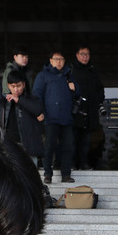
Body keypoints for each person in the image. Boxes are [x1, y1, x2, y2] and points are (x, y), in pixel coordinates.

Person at [33, 50, 78, 184]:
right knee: (49, 146)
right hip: (50, 117)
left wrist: (74, 89)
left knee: (68, 147)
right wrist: (40, 112)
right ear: (51, 60)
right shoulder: (43, 76)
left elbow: (77, 95)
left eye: (61, 59)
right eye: (56, 59)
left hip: (66, 118)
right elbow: (37, 94)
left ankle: (66, 174)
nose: (59, 61)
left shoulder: (68, 76)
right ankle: (48, 174)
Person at [0, 69, 45, 162]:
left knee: (30, 174)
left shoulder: (31, 99)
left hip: (28, 147)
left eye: (18, 86)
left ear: (23, 85)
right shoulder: (4, 102)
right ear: (8, 86)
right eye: (12, 86)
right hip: (9, 147)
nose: (16, 89)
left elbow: (38, 110)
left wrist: (19, 100)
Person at [69, 46, 105, 170]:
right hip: (74, 112)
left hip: (89, 113)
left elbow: (100, 89)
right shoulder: (70, 70)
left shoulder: (92, 71)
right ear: (77, 55)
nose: (85, 57)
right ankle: (72, 164)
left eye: (87, 54)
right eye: (82, 54)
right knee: (72, 141)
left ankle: (83, 164)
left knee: (86, 142)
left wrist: (97, 102)